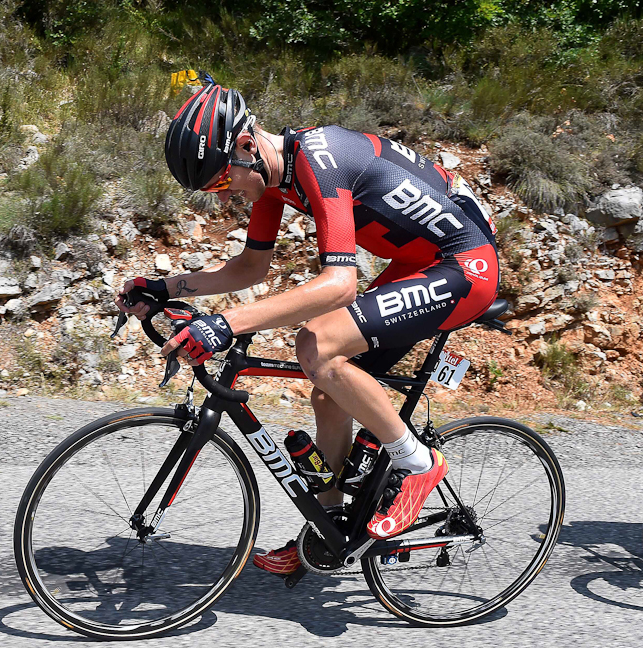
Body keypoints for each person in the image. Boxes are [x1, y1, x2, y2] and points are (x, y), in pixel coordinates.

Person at [115, 83, 500, 575]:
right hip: (417, 262)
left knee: (315, 345)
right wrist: (166, 288)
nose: (225, 193)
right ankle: (329, 531)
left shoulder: (321, 159)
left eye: (219, 182)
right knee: (328, 394)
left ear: (247, 146)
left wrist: (225, 324)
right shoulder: (273, 177)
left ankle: (419, 464)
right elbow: (251, 268)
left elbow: (340, 284)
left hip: (465, 268)